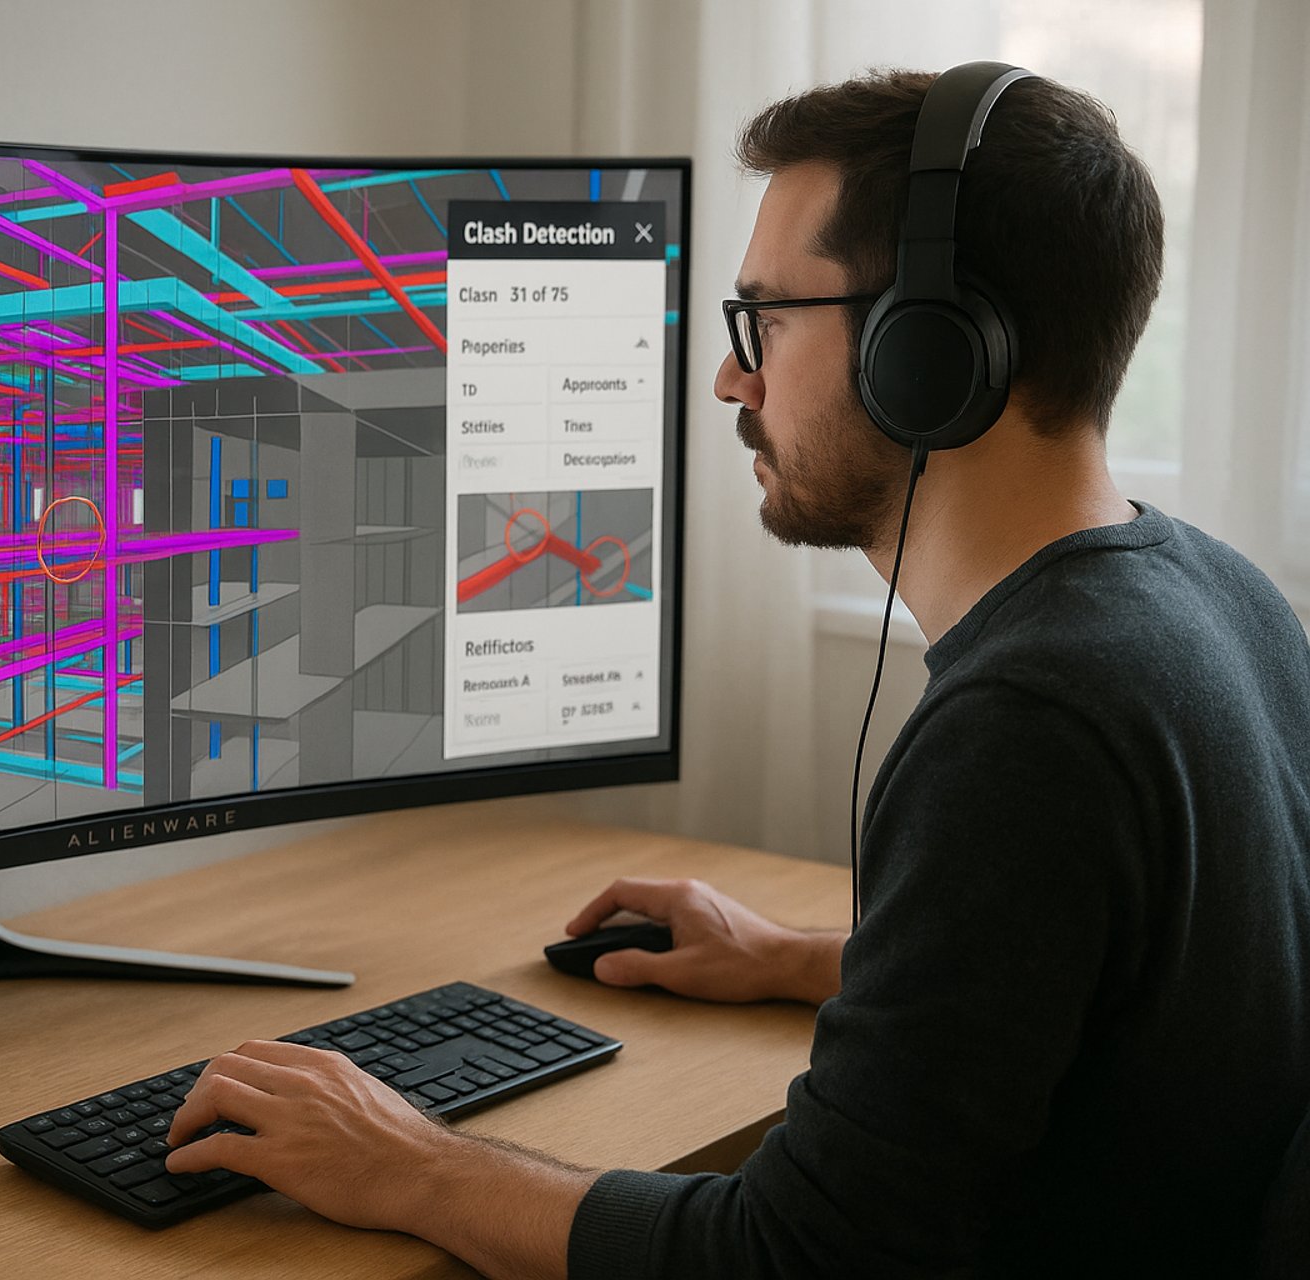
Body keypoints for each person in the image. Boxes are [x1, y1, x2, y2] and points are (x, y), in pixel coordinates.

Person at [163, 67, 1310, 1277]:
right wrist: (796, 955)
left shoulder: (1026, 723)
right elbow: (1111, 988)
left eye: (765, 319)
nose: (730, 377)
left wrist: (410, 1161)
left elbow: (792, 1255)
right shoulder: (1220, 593)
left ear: (933, 351)